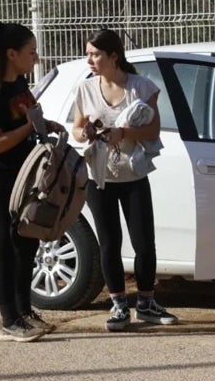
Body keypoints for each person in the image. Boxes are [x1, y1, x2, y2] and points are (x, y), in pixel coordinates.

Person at [72, 28, 178, 332]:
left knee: (144, 241)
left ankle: (146, 302)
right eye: (88, 53)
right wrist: (86, 132)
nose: (89, 59)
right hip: (99, 176)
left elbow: (153, 131)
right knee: (109, 242)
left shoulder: (142, 88)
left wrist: (124, 134)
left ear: (113, 56)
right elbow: (76, 129)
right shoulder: (86, 89)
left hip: (133, 175)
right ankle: (119, 304)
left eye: (95, 54)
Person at [0, 19, 63, 342]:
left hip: (23, 179)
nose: (36, 58)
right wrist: (30, 126)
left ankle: (25, 312)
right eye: (31, 52)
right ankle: (9, 321)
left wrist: (46, 124)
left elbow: (31, 114)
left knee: (27, 244)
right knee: (5, 249)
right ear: (11, 54)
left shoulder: (20, 84)